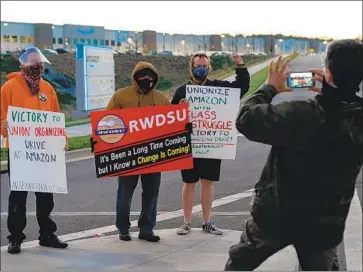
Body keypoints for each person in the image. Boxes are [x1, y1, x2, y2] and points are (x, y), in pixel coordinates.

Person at [225, 39, 363, 270]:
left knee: (239, 263)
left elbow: (246, 119)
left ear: (327, 74)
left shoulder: (300, 113)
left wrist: (269, 87)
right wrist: (337, 95)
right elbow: (342, 114)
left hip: (274, 217)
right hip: (325, 224)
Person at [171, 52, 250, 235]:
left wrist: (240, 65)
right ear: (191, 67)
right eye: (198, 66)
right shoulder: (182, 91)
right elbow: (170, 117)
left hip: (212, 142)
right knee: (189, 183)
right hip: (190, 143)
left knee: (208, 182)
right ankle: (186, 222)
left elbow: (241, 87)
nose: (201, 69)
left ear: (209, 68)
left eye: (204, 66)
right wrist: (178, 108)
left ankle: (207, 221)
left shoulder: (217, 87)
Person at [0, 46, 69, 254]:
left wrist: (61, 138)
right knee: (18, 196)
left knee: (46, 196)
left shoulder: (47, 89)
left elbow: (55, 117)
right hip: (20, 152)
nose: (36, 67)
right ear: (23, 65)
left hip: (44, 152)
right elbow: (2, 117)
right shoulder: (9, 88)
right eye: (32, 63)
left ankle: (47, 234)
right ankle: (15, 238)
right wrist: (3, 127)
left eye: (38, 64)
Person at [102, 62, 170, 242]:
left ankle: (147, 229)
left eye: (150, 77)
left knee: (151, 193)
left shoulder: (162, 99)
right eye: (142, 76)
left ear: (155, 79)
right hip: (127, 155)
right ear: (135, 76)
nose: (146, 79)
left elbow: (171, 126)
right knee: (124, 193)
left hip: (153, 154)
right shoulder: (121, 96)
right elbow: (107, 122)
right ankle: (123, 228)